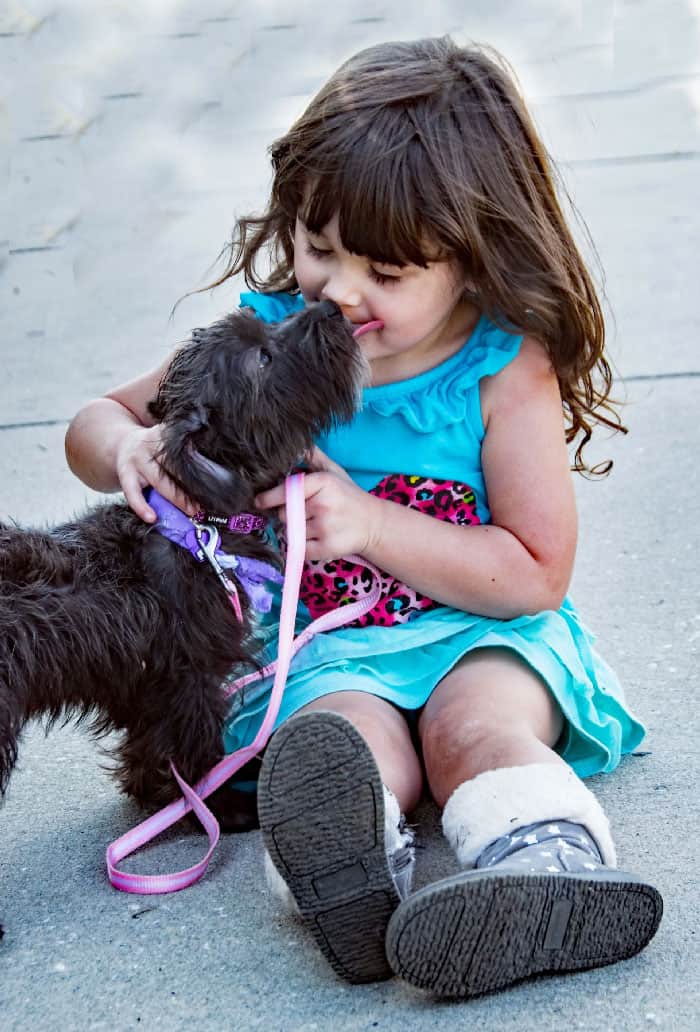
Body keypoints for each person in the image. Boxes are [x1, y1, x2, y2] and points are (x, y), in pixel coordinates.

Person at [65, 36, 662, 997]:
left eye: (384, 272)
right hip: (325, 648)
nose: (340, 293)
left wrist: (376, 526)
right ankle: (344, 881)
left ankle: (548, 876)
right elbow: (99, 419)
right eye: (319, 249)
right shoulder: (268, 328)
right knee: (342, 740)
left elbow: (536, 570)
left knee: (476, 730)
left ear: (472, 261)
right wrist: (126, 450)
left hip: (477, 628)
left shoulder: (504, 366)